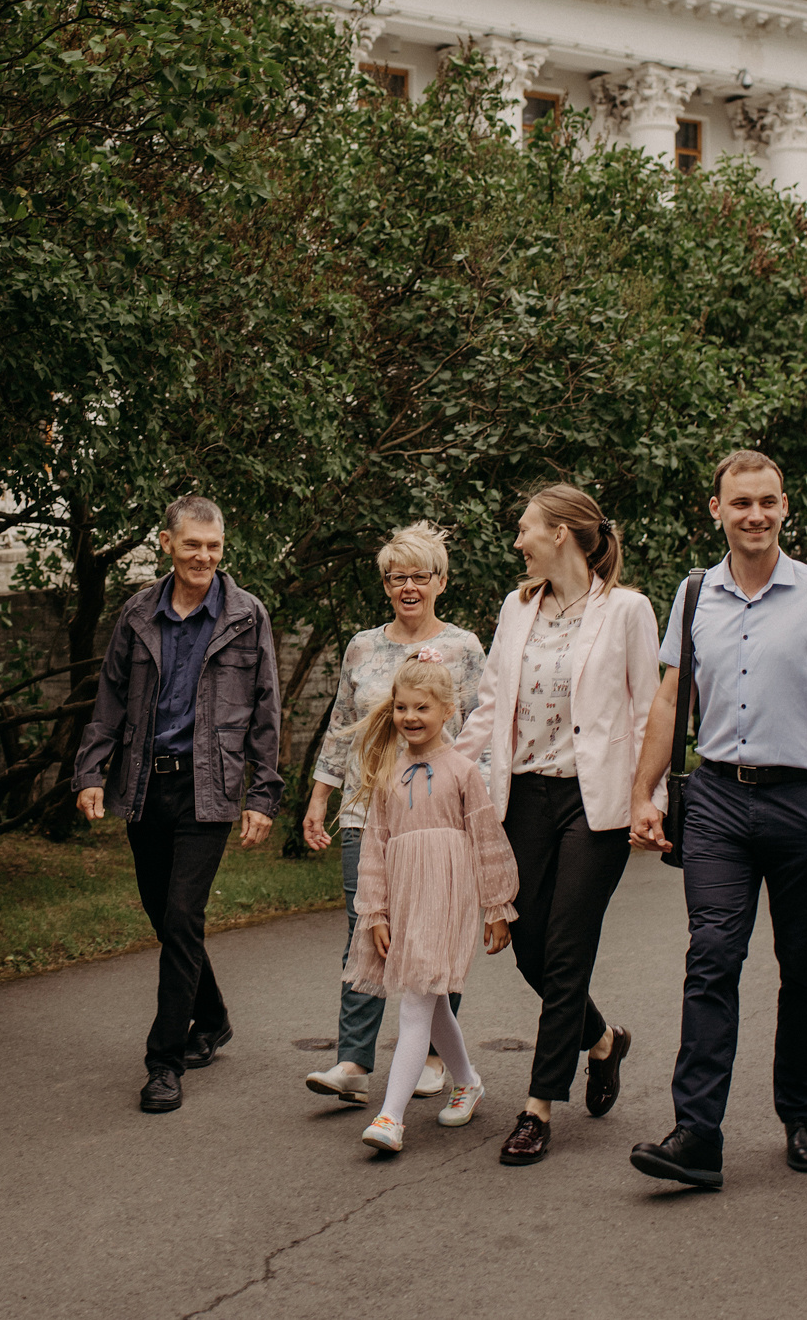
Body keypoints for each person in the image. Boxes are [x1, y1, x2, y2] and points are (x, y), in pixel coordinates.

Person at [628, 449, 807, 1190]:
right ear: (717, 510)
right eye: (741, 503)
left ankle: (802, 1116)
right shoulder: (694, 591)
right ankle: (697, 1134)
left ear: (785, 506)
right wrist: (647, 794)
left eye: (767, 501)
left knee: (802, 966)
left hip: (804, 802)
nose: (755, 515)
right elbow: (672, 700)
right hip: (720, 802)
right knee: (712, 958)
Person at [451, 484, 660, 1166]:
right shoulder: (517, 608)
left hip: (594, 806)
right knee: (530, 948)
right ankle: (602, 1041)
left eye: (526, 530)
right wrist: (445, 769)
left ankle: (538, 1107)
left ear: (564, 533)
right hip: (524, 799)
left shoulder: (628, 610)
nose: (518, 542)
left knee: (567, 950)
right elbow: (489, 706)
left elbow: (644, 712)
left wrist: (643, 797)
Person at [74, 496, 283, 1115]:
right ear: (167, 544)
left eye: (214, 547)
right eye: (193, 545)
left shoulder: (247, 616)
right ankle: (212, 1017)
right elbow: (109, 698)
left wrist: (263, 795)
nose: (204, 557)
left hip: (208, 788)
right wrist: (90, 771)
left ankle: (164, 1062)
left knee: (183, 917)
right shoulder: (138, 611)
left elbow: (267, 710)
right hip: (144, 786)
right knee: (167, 919)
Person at [300, 523, 487, 1108]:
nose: (409, 586)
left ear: (441, 581)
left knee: (431, 933)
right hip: (366, 807)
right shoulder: (361, 646)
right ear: (385, 584)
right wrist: (319, 798)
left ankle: (436, 1058)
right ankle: (354, 1058)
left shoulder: (465, 648)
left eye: (421, 575)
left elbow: (482, 731)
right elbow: (339, 725)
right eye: (397, 576)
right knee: (367, 925)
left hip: (436, 816)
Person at [341, 648, 519, 1153]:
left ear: (446, 712)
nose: (410, 718)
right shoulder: (385, 775)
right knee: (430, 994)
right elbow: (374, 849)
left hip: (449, 895)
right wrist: (374, 912)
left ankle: (390, 1117)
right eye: (402, 708)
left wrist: (498, 906)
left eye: (422, 708)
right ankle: (469, 1082)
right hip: (405, 897)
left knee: (418, 998)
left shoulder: (462, 771)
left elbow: (487, 841)